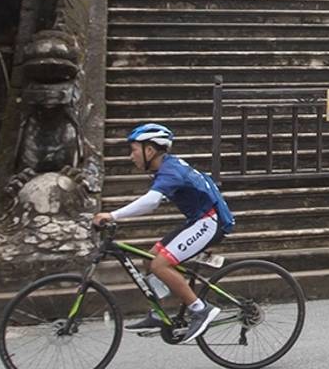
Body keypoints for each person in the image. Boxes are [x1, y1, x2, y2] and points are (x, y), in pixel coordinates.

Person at [92, 123, 235, 342]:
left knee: (160, 264)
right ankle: (158, 313)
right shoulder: (166, 167)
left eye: (134, 150)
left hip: (209, 222)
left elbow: (151, 202)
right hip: (197, 220)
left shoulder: (171, 171)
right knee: (149, 260)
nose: (131, 157)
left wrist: (112, 215)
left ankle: (200, 309)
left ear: (150, 150)